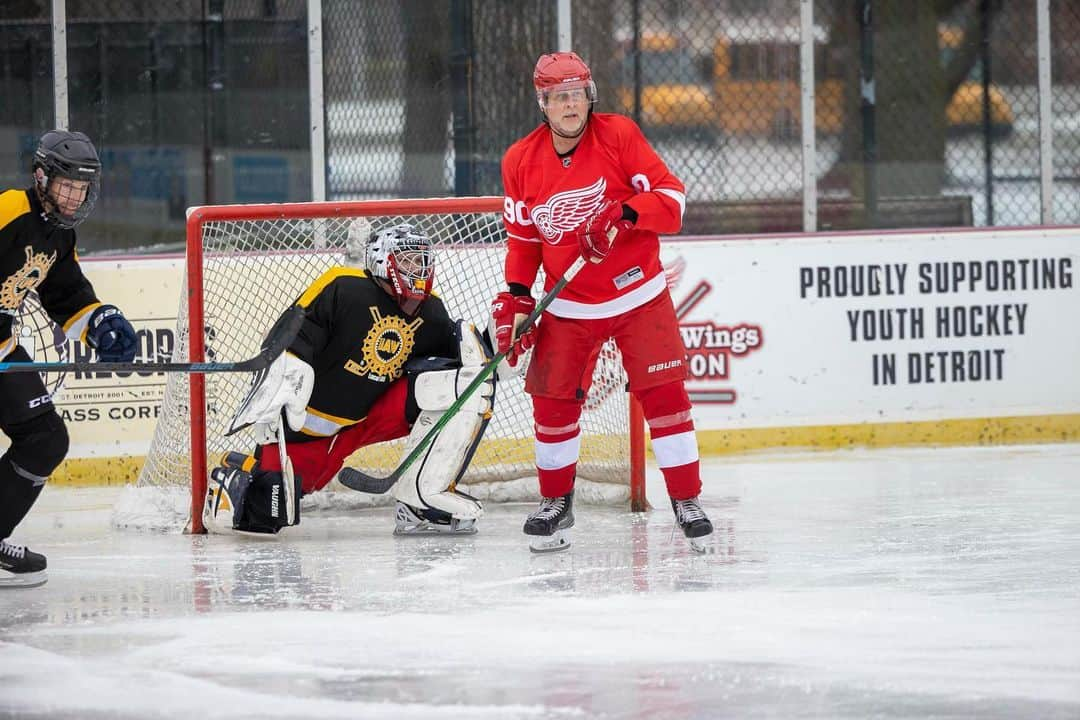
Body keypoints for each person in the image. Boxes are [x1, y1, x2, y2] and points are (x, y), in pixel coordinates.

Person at [490, 51, 714, 553]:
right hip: (568, 304)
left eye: (577, 94)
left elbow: (674, 203)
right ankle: (555, 502)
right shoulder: (519, 161)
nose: (571, 106)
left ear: (588, 96)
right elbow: (524, 242)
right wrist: (520, 298)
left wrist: (624, 214)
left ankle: (686, 500)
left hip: (638, 292)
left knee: (664, 395)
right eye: (559, 97)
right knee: (551, 404)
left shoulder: (619, 136)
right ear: (542, 103)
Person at [204, 220, 491, 537]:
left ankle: (421, 502)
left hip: (365, 420)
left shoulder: (431, 311)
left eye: (421, 260)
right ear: (383, 259)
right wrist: (284, 378)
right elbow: (292, 336)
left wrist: (498, 343)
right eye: (408, 259)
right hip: (304, 429)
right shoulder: (343, 287)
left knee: (459, 383)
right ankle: (239, 474)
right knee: (265, 512)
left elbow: (465, 360)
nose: (417, 269)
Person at [0, 130, 138, 587]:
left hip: (2, 349)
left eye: (83, 188)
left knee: (45, 439)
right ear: (42, 178)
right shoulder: (8, 211)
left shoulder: (58, 236)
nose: (76, 196)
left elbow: (66, 295)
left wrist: (101, 324)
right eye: (68, 186)